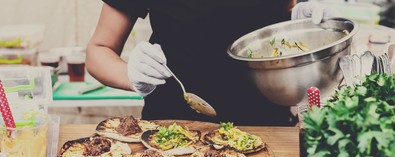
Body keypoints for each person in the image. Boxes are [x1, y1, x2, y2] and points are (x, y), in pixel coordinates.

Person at [86, 0, 335, 126]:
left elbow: (278, 15)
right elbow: (98, 51)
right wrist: (129, 74)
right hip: (172, 130)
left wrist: (296, 21)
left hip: (266, 127)